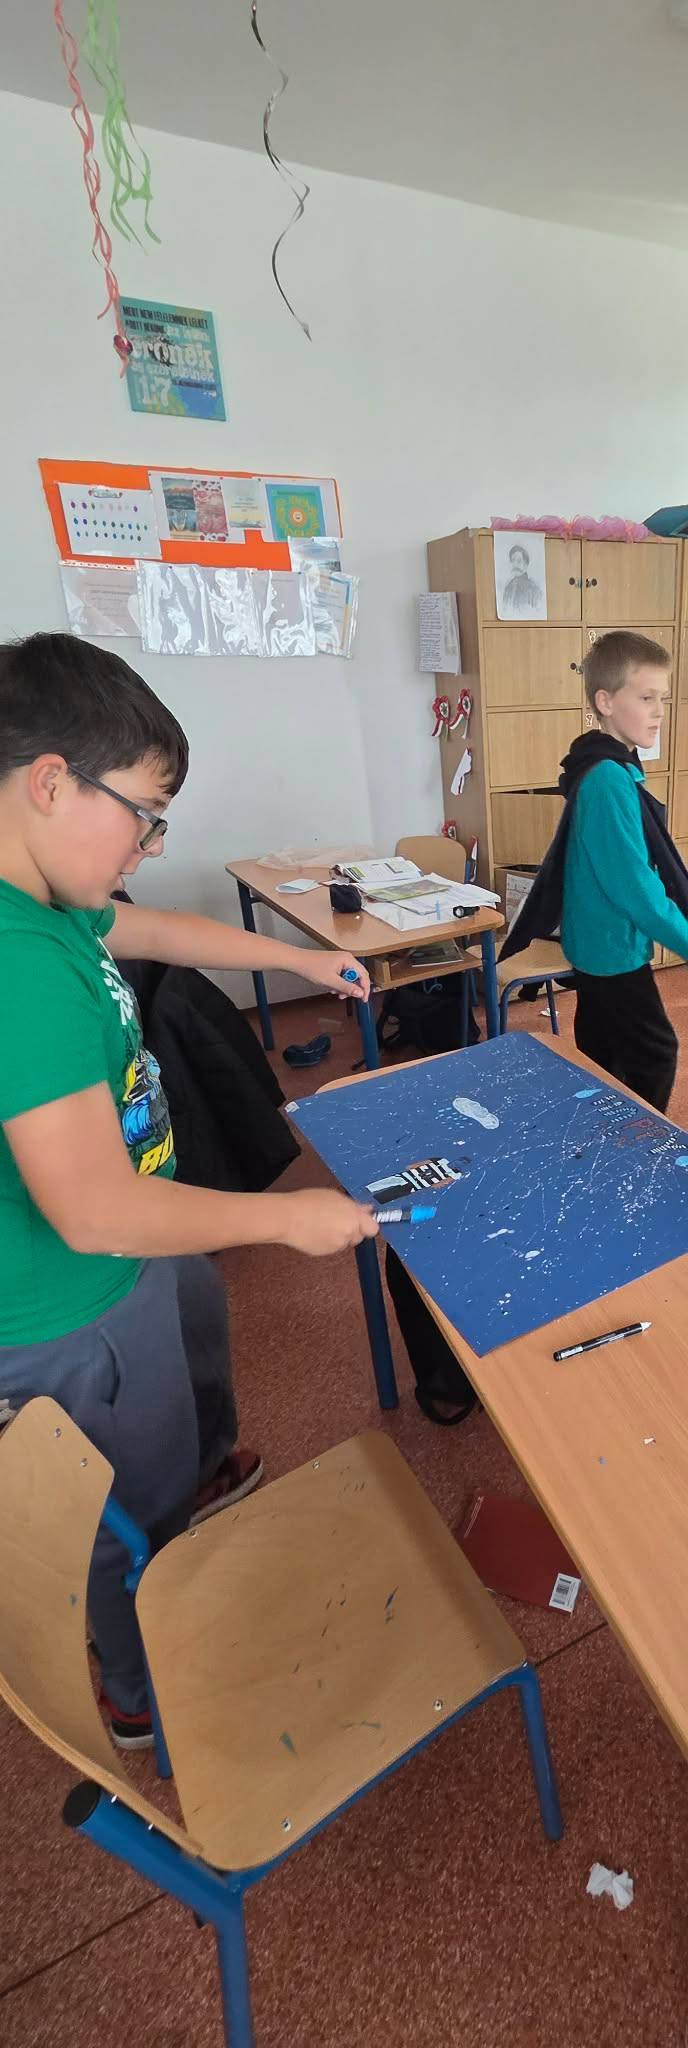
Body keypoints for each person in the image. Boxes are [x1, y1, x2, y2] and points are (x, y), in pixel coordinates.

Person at [0, 634, 378, 1746]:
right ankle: (139, 1689)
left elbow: (159, 929)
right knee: (122, 1510)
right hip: (75, 1304)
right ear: (51, 781)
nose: (152, 844)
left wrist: (299, 961)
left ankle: (198, 1484)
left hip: (137, 1257)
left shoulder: (48, 899)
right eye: (145, 815)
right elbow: (92, 1210)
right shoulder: (17, 962)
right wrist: (287, 1218)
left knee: (193, 1360)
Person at [501, 630, 688, 1110]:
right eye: (646, 698)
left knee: (602, 1053)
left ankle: (598, 1129)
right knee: (655, 1054)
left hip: (596, 943)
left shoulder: (606, 765)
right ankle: (639, 1142)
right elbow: (638, 892)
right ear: (605, 702)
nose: (659, 712)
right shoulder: (608, 780)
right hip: (612, 951)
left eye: (662, 699)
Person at [500, 543, 543, 617]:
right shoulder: (508, 587)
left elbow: (536, 613)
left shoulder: (533, 588)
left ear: (525, 565)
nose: (515, 565)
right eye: (513, 560)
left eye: (519, 561)